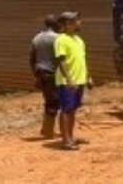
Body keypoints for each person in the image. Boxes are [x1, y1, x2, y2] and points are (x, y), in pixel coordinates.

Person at [53, 11, 93, 151]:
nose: (79, 23)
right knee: (66, 109)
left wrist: (88, 77)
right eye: (75, 21)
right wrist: (69, 79)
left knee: (73, 109)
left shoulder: (79, 40)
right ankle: (66, 140)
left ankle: (71, 136)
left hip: (79, 80)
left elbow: (82, 60)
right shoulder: (61, 40)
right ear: (67, 24)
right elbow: (61, 62)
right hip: (67, 82)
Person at [29, 14, 60, 138]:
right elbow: (60, 58)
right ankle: (48, 131)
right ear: (56, 25)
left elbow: (31, 58)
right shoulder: (57, 38)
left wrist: (35, 75)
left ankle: (47, 128)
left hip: (41, 73)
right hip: (52, 73)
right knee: (53, 102)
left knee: (49, 100)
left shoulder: (36, 38)